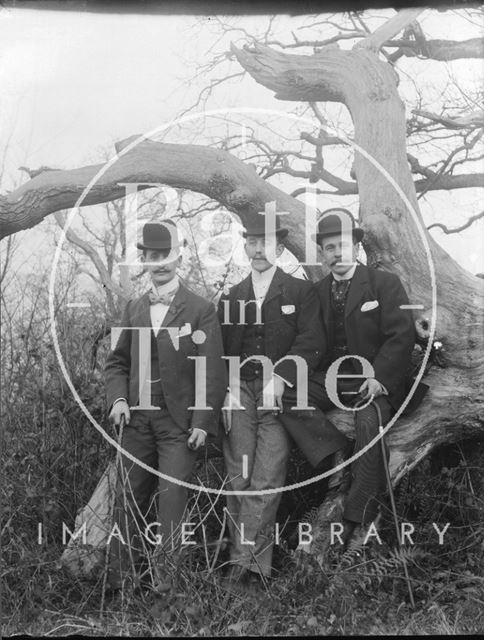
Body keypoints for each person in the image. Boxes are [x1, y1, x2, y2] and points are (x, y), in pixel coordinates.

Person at [218, 215, 348, 589]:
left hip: (279, 396)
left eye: (266, 243)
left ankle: (252, 570)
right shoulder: (232, 296)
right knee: (239, 479)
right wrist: (226, 388)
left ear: (278, 248)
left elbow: (311, 342)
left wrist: (282, 377)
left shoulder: (299, 291)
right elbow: (221, 350)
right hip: (239, 391)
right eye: (252, 242)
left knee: (266, 479)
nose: (259, 250)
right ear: (246, 247)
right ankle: (239, 565)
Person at [104, 221, 227, 590]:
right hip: (137, 421)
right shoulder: (134, 308)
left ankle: (166, 594)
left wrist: (203, 422)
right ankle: (121, 590)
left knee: (171, 506)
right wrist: (119, 400)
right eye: (152, 256)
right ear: (143, 260)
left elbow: (212, 370)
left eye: (166, 255)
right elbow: (117, 363)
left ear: (179, 256)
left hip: (179, 426)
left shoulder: (201, 309)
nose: (159, 263)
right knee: (126, 502)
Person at [311, 208, 417, 547]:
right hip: (333, 379)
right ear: (323, 254)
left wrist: (379, 378)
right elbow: (312, 342)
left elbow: (401, 334)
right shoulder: (317, 292)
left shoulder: (383, 284)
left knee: (369, 426)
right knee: (286, 397)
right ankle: (333, 454)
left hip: (373, 380)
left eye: (342, 244)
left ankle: (358, 518)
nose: (337, 253)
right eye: (329, 248)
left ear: (355, 246)